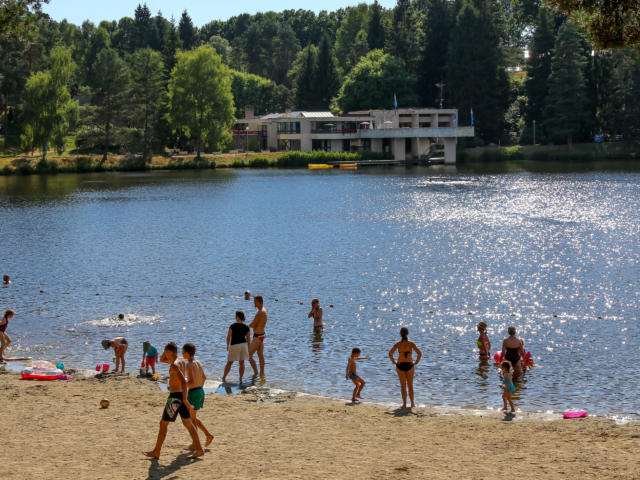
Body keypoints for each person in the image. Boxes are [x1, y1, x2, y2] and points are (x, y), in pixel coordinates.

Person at [143, 342, 204, 459]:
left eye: (166, 352)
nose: (165, 354)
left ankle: (156, 451)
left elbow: (182, 381)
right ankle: (200, 449)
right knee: (188, 423)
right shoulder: (181, 360)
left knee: (163, 423)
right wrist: (167, 352)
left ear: (170, 352)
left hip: (175, 397)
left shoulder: (175, 365)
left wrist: (185, 400)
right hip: (180, 395)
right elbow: (161, 359)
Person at [182, 343, 214, 449]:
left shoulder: (188, 365)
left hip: (194, 392)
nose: (182, 354)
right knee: (192, 418)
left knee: (191, 419)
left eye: (183, 352)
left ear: (187, 353)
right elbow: (204, 377)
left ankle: (197, 442)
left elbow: (191, 382)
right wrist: (199, 388)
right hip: (200, 391)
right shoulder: (198, 362)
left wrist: (182, 385)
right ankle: (207, 436)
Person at [388, 327, 422, 409]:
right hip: (410, 365)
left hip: (400, 365)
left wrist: (393, 361)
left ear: (400, 334)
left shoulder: (398, 344)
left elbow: (390, 353)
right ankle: (412, 403)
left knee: (403, 386)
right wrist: (416, 362)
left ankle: (404, 404)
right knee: (410, 385)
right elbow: (419, 353)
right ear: (407, 334)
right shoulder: (411, 344)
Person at [222, 311, 251, 383]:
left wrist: (227, 345)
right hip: (243, 345)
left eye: (236, 316)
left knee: (229, 362)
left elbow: (228, 336)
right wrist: (248, 347)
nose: (235, 317)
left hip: (235, 345)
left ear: (238, 317)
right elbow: (248, 338)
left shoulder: (233, 326)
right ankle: (240, 378)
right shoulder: (246, 327)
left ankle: (224, 377)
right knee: (242, 363)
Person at [248, 295, 267, 377]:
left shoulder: (259, 313)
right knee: (260, 355)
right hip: (262, 335)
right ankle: (262, 374)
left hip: (257, 337)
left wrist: (249, 326)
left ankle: (256, 373)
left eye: (255, 301)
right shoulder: (264, 310)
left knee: (248, 355)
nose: (254, 303)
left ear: (258, 302)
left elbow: (252, 324)